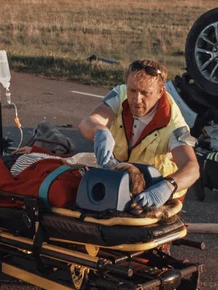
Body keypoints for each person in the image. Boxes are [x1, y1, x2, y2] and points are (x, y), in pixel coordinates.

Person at [78, 59, 200, 207]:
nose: (137, 99)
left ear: (160, 92)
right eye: (133, 90)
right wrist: (99, 130)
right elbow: (87, 123)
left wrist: (168, 186)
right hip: (121, 179)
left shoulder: (173, 124)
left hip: (156, 193)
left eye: (145, 93)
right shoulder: (121, 94)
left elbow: (192, 168)